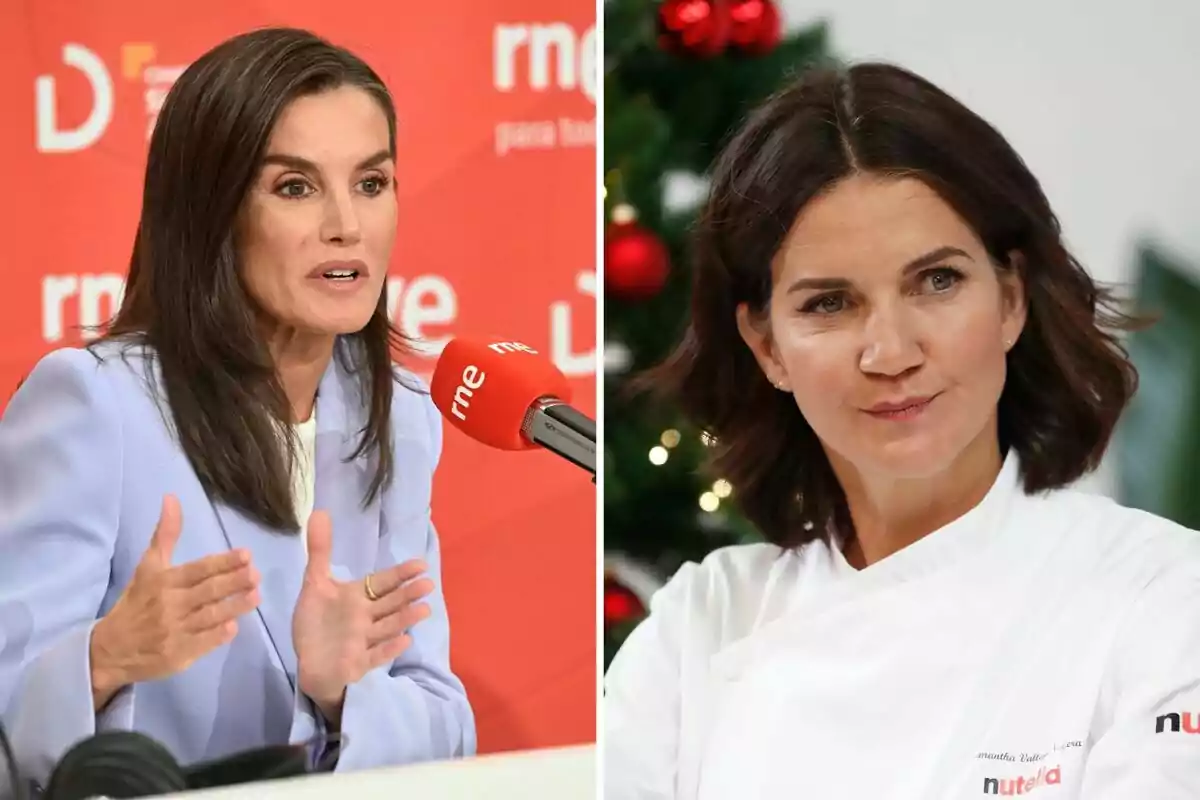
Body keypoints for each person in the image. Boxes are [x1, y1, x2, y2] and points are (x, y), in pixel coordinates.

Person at [604, 62, 1200, 799]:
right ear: (766, 346)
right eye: (829, 303)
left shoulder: (1163, 596)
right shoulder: (699, 630)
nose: (892, 352)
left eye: (937, 281)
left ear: (1010, 299)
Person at [0, 27, 475, 787]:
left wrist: (341, 692)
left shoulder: (402, 418)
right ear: (214, 210)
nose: (346, 225)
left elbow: (444, 728)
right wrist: (104, 659)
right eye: (295, 187)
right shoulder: (97, 404)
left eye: (371, 182)